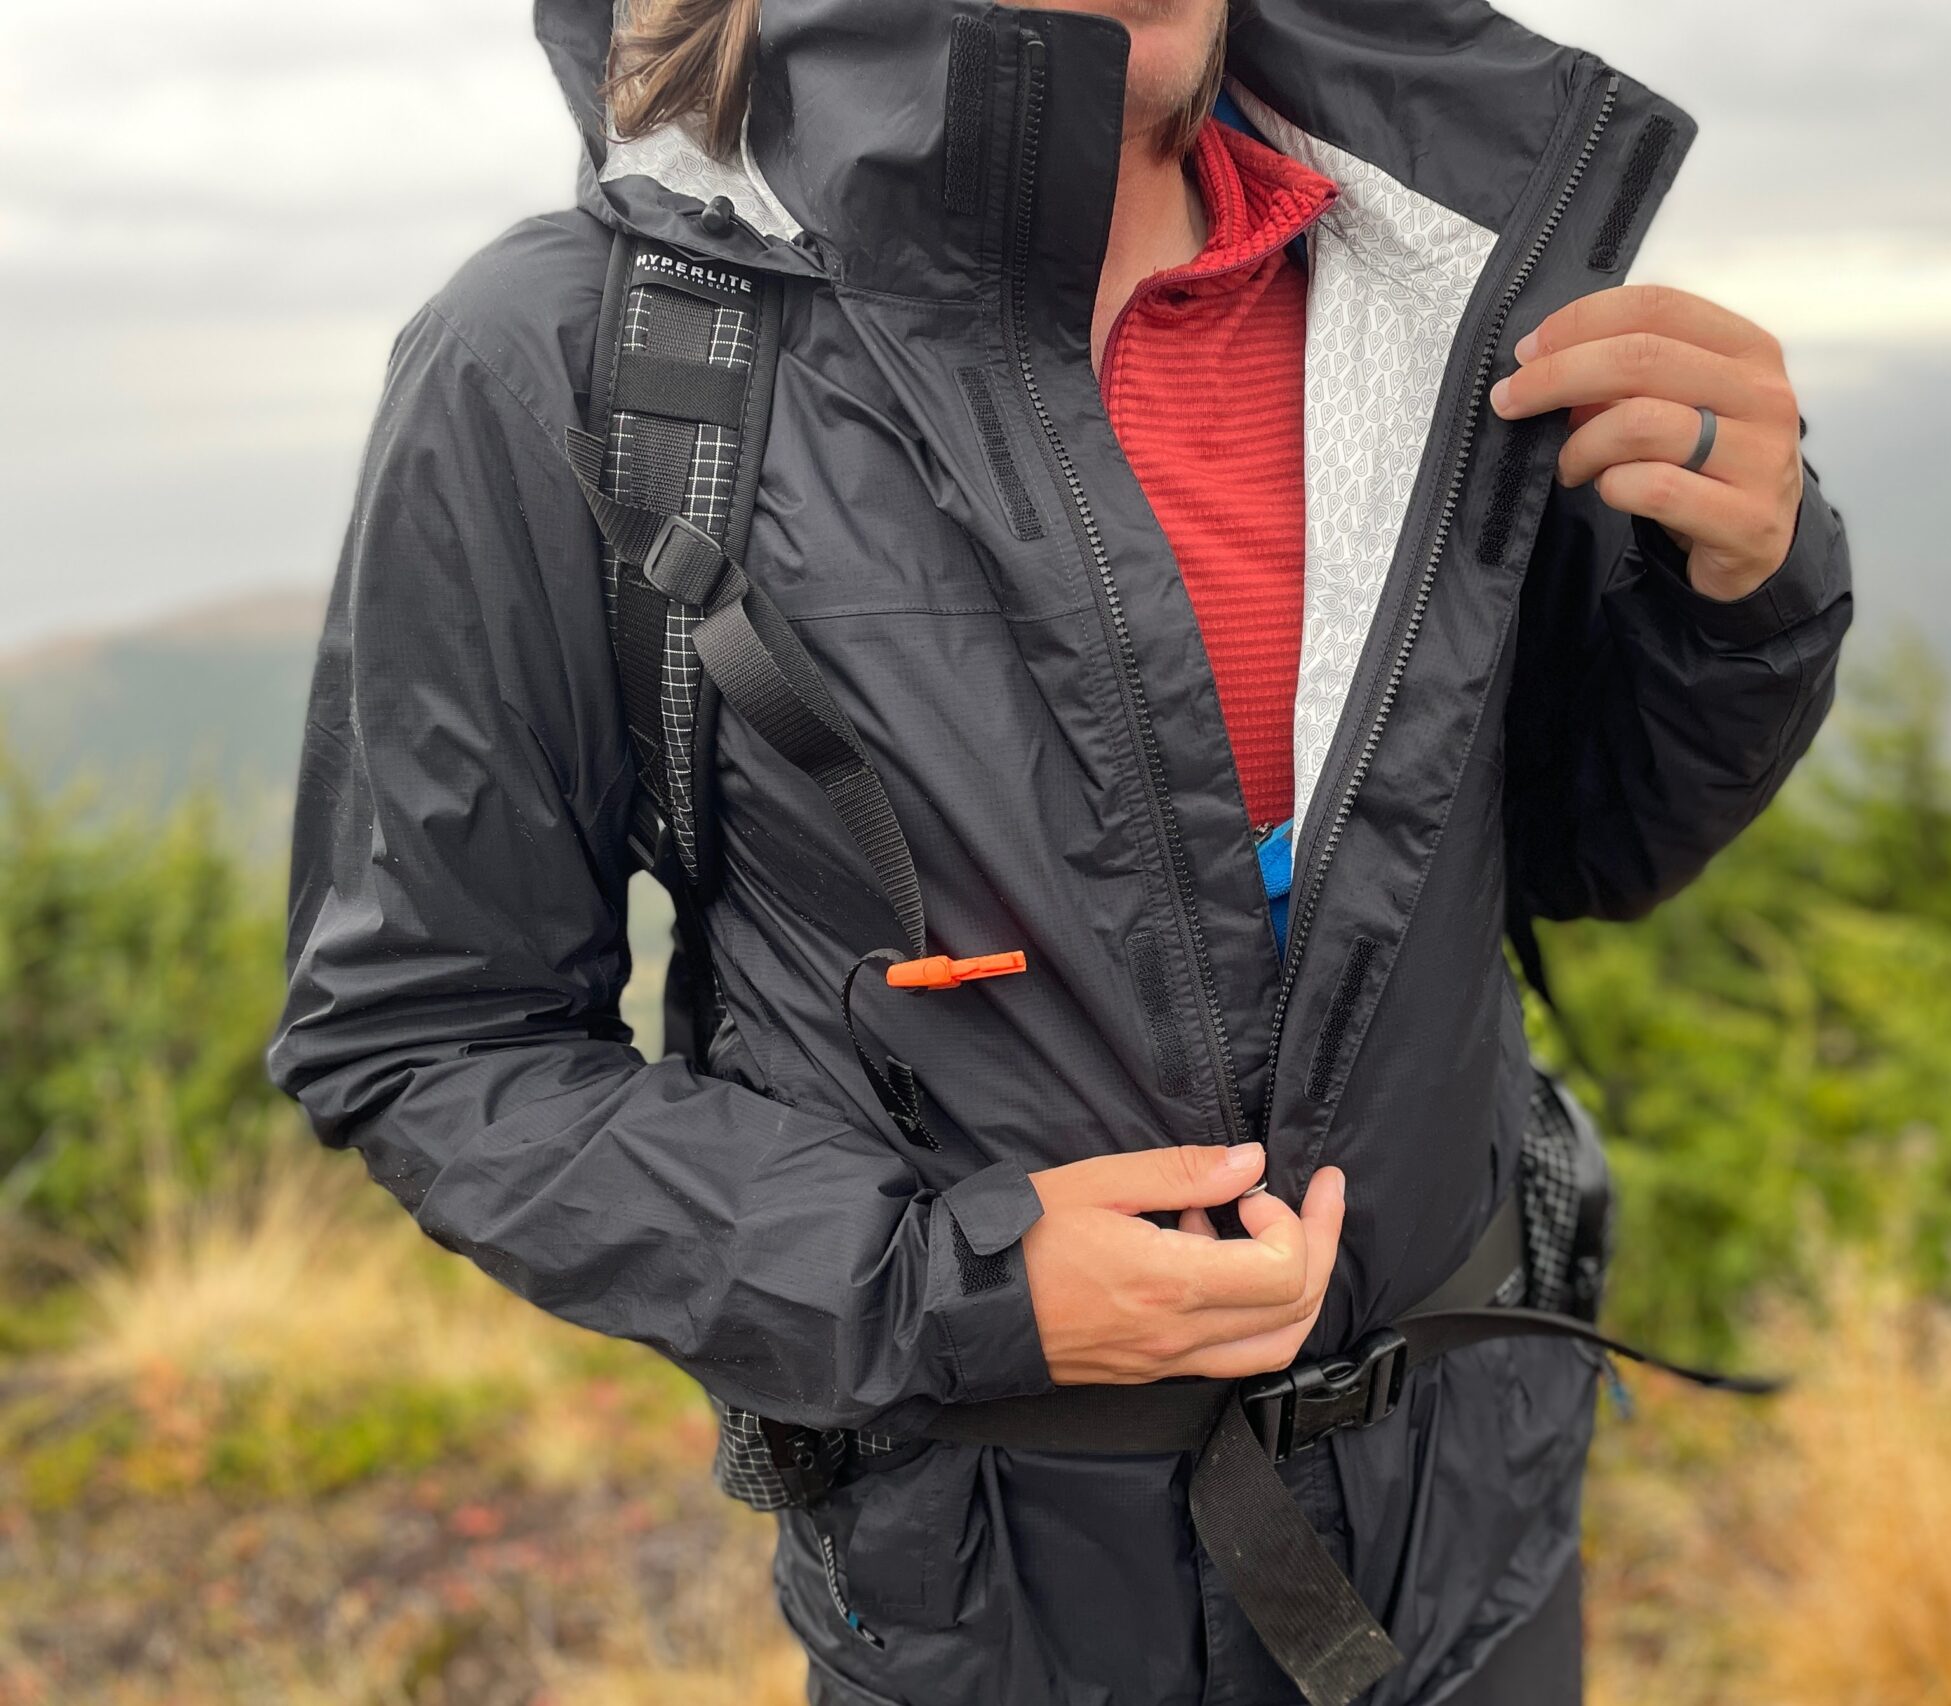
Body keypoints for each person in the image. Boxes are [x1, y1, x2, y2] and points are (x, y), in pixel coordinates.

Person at [267, 0, 1853, 1700]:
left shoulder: (1430, 286)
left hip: (1476, 1545)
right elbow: (427, 1035)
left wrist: (1749, 589)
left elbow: (1582, 844)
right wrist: (945, 1289)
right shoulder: (573, 353)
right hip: (994, 1598)